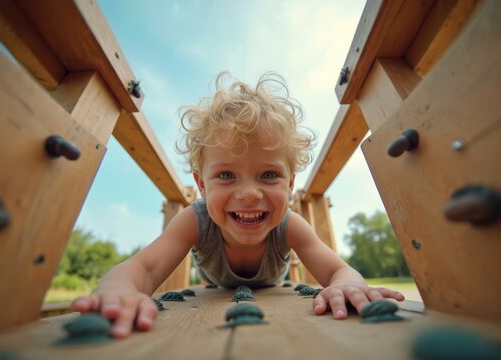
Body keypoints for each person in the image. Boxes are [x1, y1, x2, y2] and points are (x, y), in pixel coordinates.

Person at [72, 72, 405, 338]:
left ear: (290, 185)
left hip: (273, 284)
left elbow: (337, 270)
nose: (248, 193)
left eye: (269, 174)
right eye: (227, 174)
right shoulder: (195, 220)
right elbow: (144, 269)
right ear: (201, 185)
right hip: (215, 285)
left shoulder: (290, 224)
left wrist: (347, 285)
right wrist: (120, 289)